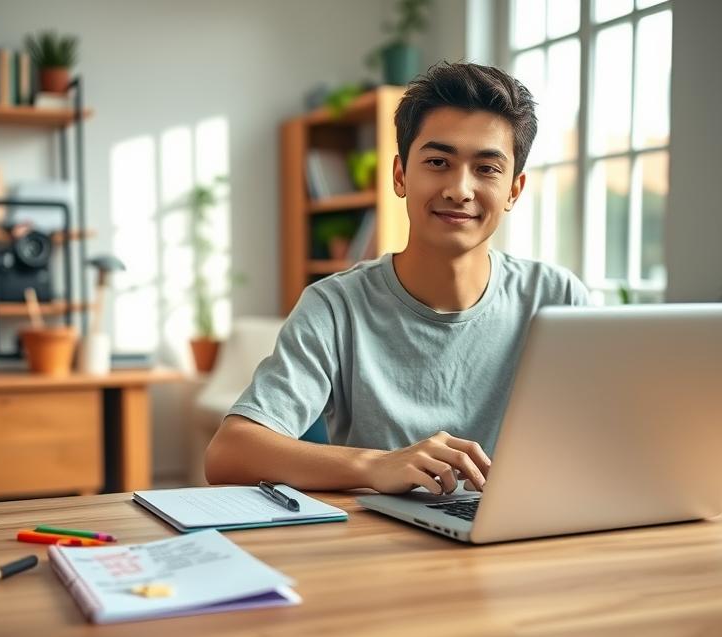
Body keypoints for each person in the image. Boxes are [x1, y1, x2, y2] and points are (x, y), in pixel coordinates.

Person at [205, 62, 588, 495]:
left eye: (486, 169)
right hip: (384, 548)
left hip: (525, 537)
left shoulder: (558, 298)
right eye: (438, 162)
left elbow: (610, 434)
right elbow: (229, 453)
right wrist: (375, 465)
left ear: (513, 190)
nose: (459, 189)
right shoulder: (335, 306)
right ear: (401, 175)